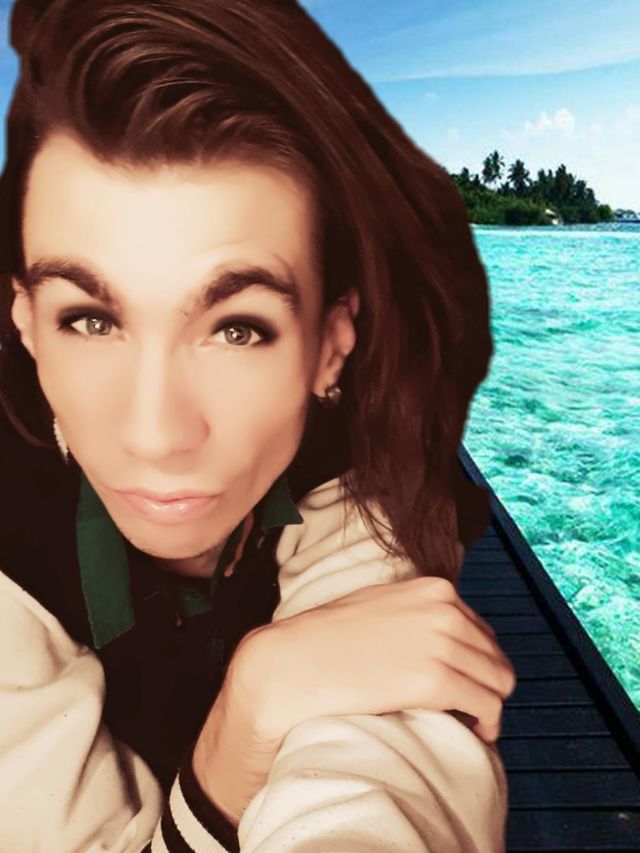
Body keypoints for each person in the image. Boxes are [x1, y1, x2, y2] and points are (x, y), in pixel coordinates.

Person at [0, 1, 516, 850]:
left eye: (238, 328)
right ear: (25, 322)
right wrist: (245, 717)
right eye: (89, 319)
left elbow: (374, 775)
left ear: (330, 347)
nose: (156, 432)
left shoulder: (357, 466)